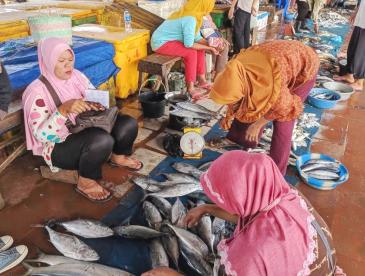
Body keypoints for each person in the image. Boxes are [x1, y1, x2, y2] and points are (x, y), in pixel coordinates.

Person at [182, 151, 344, 276]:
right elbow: (247, 214)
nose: (220, 202)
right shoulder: (285, 193)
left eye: (225, 199)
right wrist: (206, 208)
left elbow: (251, 255)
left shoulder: (248, 256)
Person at [22, 38, 142, 202]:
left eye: (70, 60)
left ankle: (118, 157)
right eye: (61, 61)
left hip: (84, 126)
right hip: (57, 146)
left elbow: (93, 96)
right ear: (48, 61)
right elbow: (41, 136)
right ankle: (86, 181)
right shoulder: (35, 92)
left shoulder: (77, 76)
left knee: (127, 123)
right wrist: (63, 110)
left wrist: (94, 104)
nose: (68, 65)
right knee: (101, 140)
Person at [209, 40, 319, 175]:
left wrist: (257, 125)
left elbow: (285, 108)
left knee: (283, 122)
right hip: (281, 59)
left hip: (304, 66)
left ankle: (277, 171)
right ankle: (237, 139)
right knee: (247, 104)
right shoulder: (236, 70)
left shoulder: (272, 85)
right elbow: (240, 100)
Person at [151, 0, 219, 100]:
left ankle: (201, 80)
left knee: (200, 49)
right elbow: (189, 44)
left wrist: (212, 43)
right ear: (204, 6)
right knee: (190, 52)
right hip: (160, 43)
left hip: (170, 41)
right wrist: (209, 47)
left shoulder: (195, 16)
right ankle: (190, 88)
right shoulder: (190, 18)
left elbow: (197, 39)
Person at [334, 2, 365, 91]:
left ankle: (360, 82)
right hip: (361, 18)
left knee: (361, 52)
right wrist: (356, 12)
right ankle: (349, 75)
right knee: (352, 48)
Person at [200, 15, 230, 79]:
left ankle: (218, 74)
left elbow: (215, 29)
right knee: (222, 46)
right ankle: (217, 75)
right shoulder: (194, 16)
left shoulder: (206, 14)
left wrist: (221, 38)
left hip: (210, 39)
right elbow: (197, 37)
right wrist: (213, 42)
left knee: (224, 45)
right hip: (202, 41)